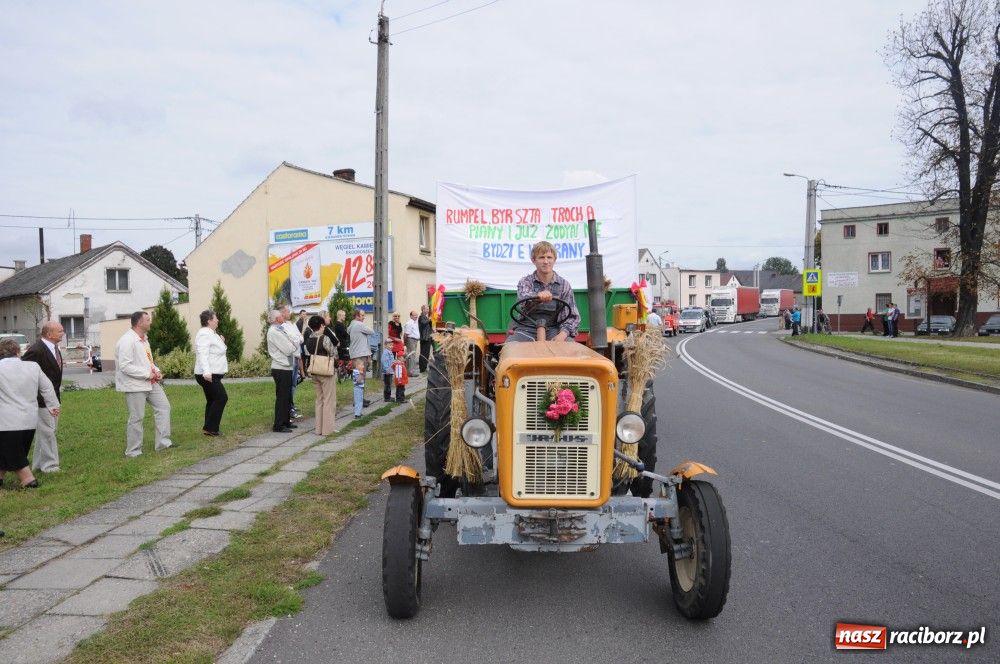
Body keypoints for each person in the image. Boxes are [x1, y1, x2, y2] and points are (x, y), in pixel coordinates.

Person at [0, 339, 59, 489]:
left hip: (6, 421)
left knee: (14, 454)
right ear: (18, 352)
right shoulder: (33, 367)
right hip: (29, 419)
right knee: (10, 451)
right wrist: (53, 406)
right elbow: (47, 387)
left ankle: (29, 480)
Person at [115, 311, 173, 457]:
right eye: (148, 320)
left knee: (164, 407)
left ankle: (163, 444)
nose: (150, 322)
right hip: (135, 385)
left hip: (151, 383)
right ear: (139, 323)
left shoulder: (144, 339)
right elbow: (125, 366)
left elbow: (148, 361)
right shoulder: (127, 340)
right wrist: (147, 374)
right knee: (137, 417)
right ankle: (133, 451)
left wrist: (156, 371)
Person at [506, 241, 581, 343]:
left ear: (554, 260)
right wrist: (537, 296)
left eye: (549, 257)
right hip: (526, 328)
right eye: (541, 257)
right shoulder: (526, 282)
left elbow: (572, 317)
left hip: (553, 328)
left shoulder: (564, 285)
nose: (546, 261)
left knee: (570, 349)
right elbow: (523, 299)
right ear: (534, 260)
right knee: (511, 347)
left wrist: (562, 335)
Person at [22, 321, 64, 473]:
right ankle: (50, 465)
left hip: (53, 398)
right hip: (42, 400)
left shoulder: (53, 347)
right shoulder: (36, 350)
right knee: (48, 432)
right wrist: (40, 397)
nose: (63, 333)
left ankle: (39, 464)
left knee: (45, 432)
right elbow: (26, 374)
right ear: (49, 334)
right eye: (60, 331)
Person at [194, 309, 229, 436]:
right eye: (216, 318)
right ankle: (211, 428)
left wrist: (221, 341)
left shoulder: (211, 333)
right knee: (221, 397)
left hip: (211, 374)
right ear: (209, 321)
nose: (218, 320)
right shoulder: (205, 334)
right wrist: (207, 372)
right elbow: (203, 354)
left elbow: (215, 350)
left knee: (212, 399)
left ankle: (209, 428)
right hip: (208, 374)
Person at [267, 309, 298, 433]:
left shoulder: (280, 329)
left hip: (286, 366)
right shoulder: (274, 331)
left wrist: (292, 342)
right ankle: (278, 425)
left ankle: (286, 421)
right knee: (282, 397)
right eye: (280, 316)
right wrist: (293, 343)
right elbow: (288, 348)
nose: (283, 317)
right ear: (276, 319)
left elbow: (293, 340)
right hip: (280, 367)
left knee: (287, 396)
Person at [306, 315, 337, 435]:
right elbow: (333, 352)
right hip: (326, 371)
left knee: (319, 400)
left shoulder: (309, 338)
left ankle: (318, 429)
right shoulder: (324, 338)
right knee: (329, 400)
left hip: (314, 371)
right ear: (321, 325)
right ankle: (327, 430)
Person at [280, 304, 305, 418]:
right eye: (287, 311)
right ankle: (288, 408)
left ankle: (291, 404)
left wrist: (296, 338)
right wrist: (296, 339)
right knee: (289, 385)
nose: (289, 313)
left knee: (294, 385)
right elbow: (292, 339)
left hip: (296, 357)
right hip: (290, 358)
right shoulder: (282, 326)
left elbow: (300, 337)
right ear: (282, 313)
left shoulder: (291, 324)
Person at [348, 309, 374, 408]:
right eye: (362, 315)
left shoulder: (353, 325)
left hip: (357, 354)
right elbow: (371, 331)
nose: (364, 317)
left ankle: (360, 399)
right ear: (357, 316)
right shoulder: (358, 325)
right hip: (359, 355)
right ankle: (358, 401)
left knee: (359, 377)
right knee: (359, 378)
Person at [418, 304, 434, 374]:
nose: (428, 310)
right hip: (424, 338)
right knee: (423, 353)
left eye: (428, 309)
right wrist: (429, 320)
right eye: (427, 309)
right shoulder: (421, 317)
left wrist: (433, 331)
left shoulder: (426, 317)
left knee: (426, 353)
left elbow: (429, 327)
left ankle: (424, 367)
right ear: (423, 310)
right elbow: (423, 323)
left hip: (428, 337)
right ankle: (422, 368)